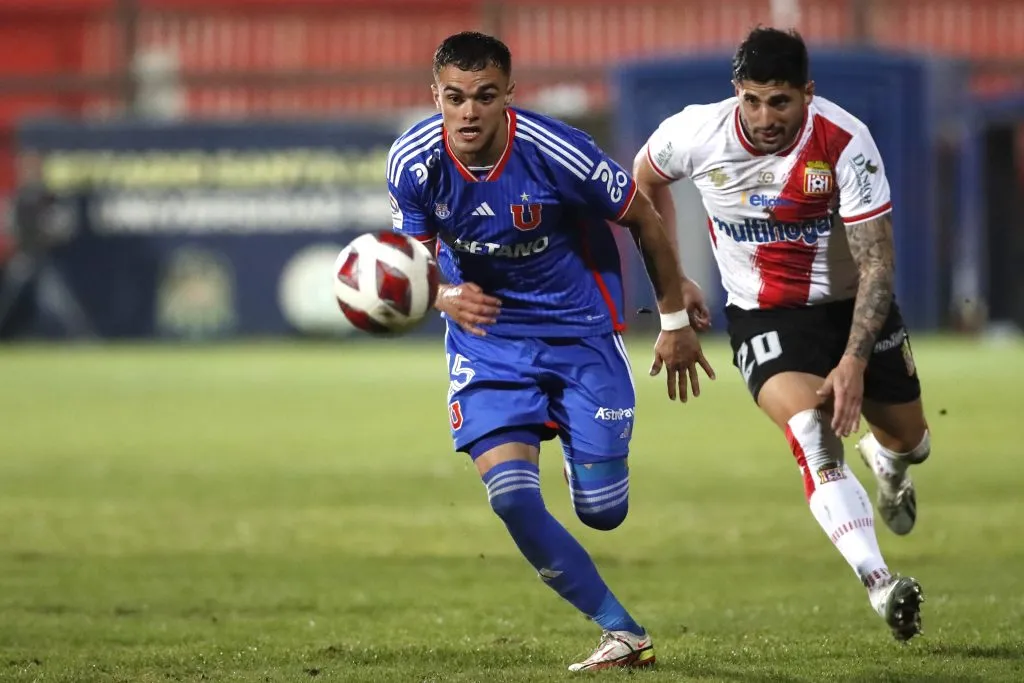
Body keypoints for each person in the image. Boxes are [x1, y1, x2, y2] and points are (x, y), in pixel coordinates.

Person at [386, 31, 714, 671]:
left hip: (580, 334)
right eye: (455, 98)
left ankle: (577, 450)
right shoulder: (413, 163)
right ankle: (622, 631)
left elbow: (643, 218)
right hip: (490, 345)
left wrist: (672, 316)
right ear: (436, 97)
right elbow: (415, 261)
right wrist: (444, 295)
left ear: (510, 94)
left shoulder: (558, 152)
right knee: (510, 496)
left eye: (485, 96)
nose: (469, 112)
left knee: (602, 512)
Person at [633, 27, 929, 641]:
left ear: (808, 94)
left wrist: (852, 359)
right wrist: (677, 279)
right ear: (736, 93)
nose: (765, 117)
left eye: (781, 102)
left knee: (911, 441)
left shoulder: (846, 141)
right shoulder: (696, 133)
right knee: (812, 438)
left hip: (852, 310)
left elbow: (877, 263)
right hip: (764, 318)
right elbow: (642, 182)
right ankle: (880, 583)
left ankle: (890, 467)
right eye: (753, 100)